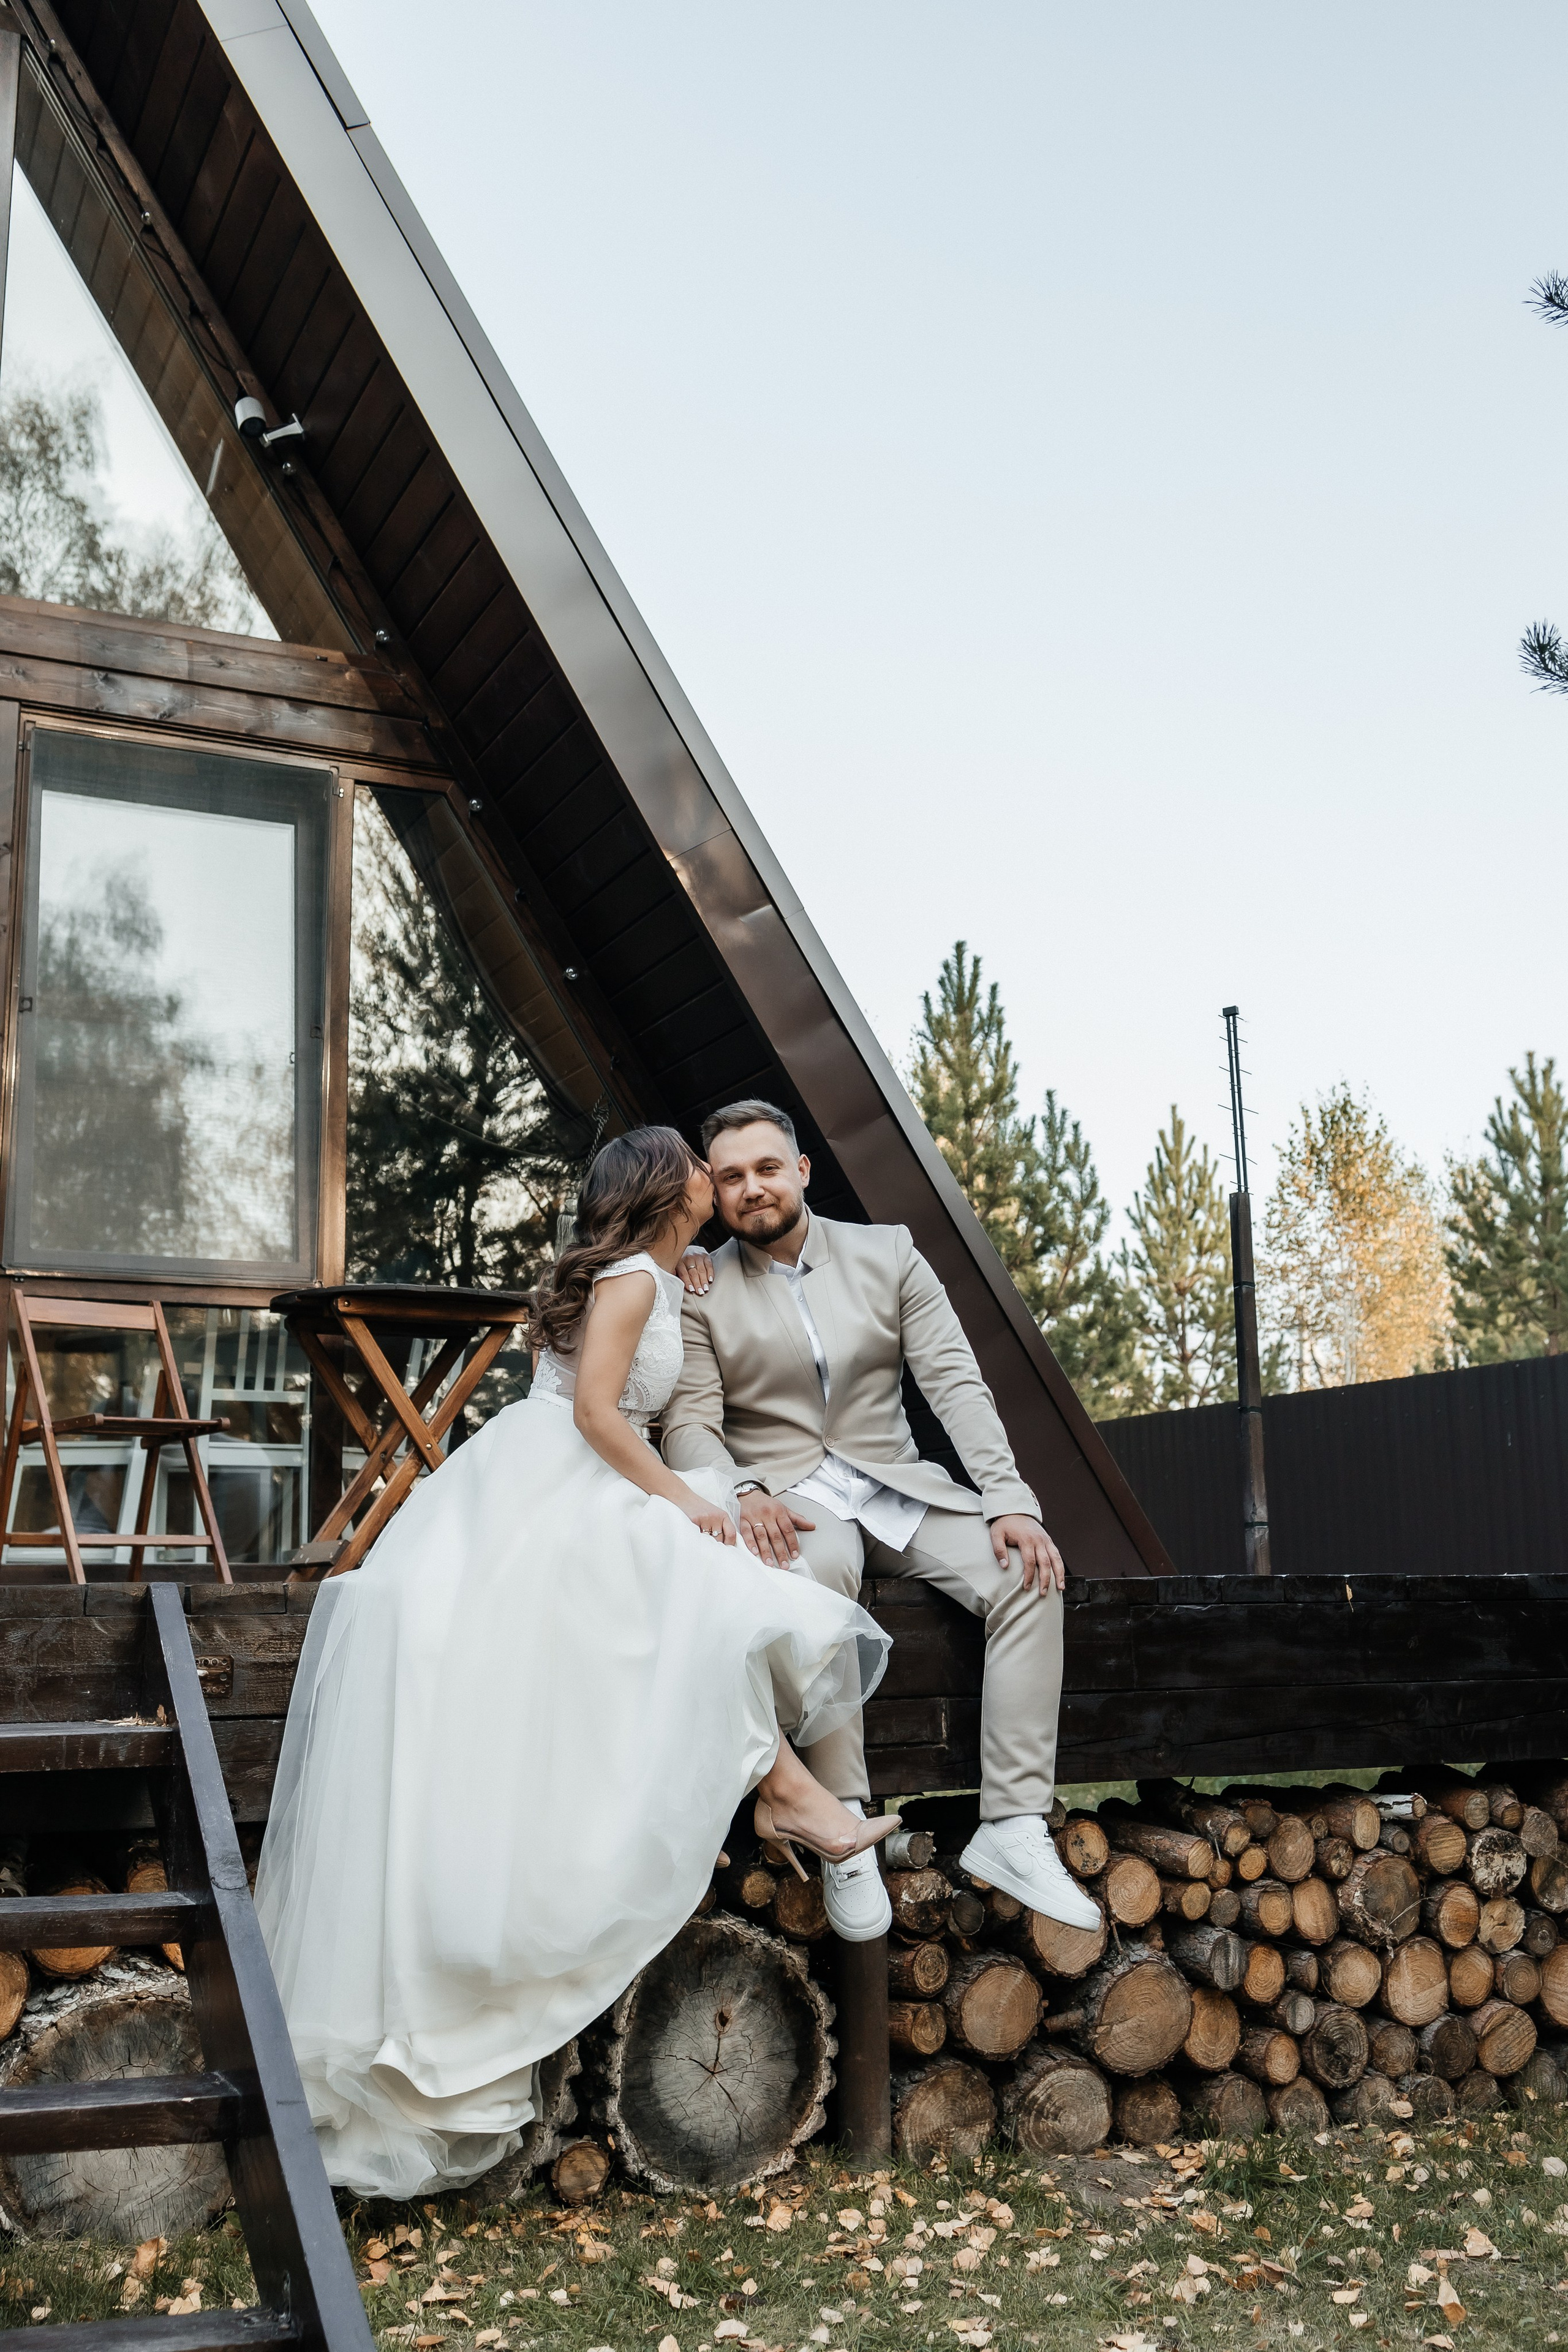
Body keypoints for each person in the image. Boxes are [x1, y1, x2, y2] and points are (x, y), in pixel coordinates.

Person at [254, 1125, 895, 2199]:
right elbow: (599, 1411)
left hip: (566, 1469)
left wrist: (677, 1268)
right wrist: (686, 1498)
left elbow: (620, 1364)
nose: (713, 1176)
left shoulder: (646, 1271)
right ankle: (795, 1794)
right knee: (691, 1573)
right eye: (700, 1163)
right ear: (665, 1187)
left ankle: (792, 1793)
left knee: (692, 1594)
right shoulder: (634, 1284)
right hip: (566, 1472)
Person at [663, 1099, 1099, 1943]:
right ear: (714, 1192)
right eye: (730, 1177)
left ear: (802, 1171)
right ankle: (846, 1830)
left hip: (897, 1487)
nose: (751, 1188)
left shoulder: (888, 1252)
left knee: (1025, 1574)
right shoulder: (700, 1287)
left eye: (765, 1167)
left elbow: (956, 1382)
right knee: (818, 1587)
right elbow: (690, 1421)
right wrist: (743, 1490)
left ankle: (1013, 1826)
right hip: (790, 1501)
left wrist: (1009, 1498)